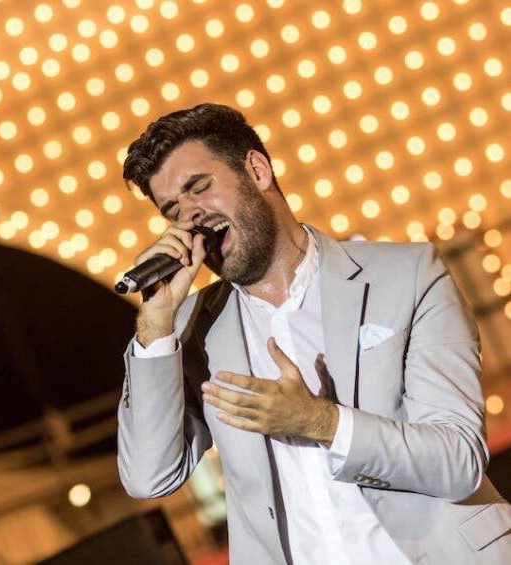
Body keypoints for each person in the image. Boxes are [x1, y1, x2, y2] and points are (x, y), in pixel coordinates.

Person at [117, 103, 511, 564]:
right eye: (172, 209)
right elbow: (150, 477)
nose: (190, 216)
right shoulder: (189, 331)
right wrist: (156, 326)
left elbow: (459, 461)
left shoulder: (408, 275)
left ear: (257, 170)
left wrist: (320, 423)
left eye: (199, 187)